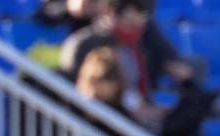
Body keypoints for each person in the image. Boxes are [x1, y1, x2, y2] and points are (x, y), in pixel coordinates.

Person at [60, 0, 195, 103]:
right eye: (129, 20)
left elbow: (174, 64)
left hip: (138, 116)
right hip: (102, 119)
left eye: (141, 19)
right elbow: (77, 93)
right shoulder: (84, 44)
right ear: (110, 14)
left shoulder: (147, 35)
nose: (137, 27)